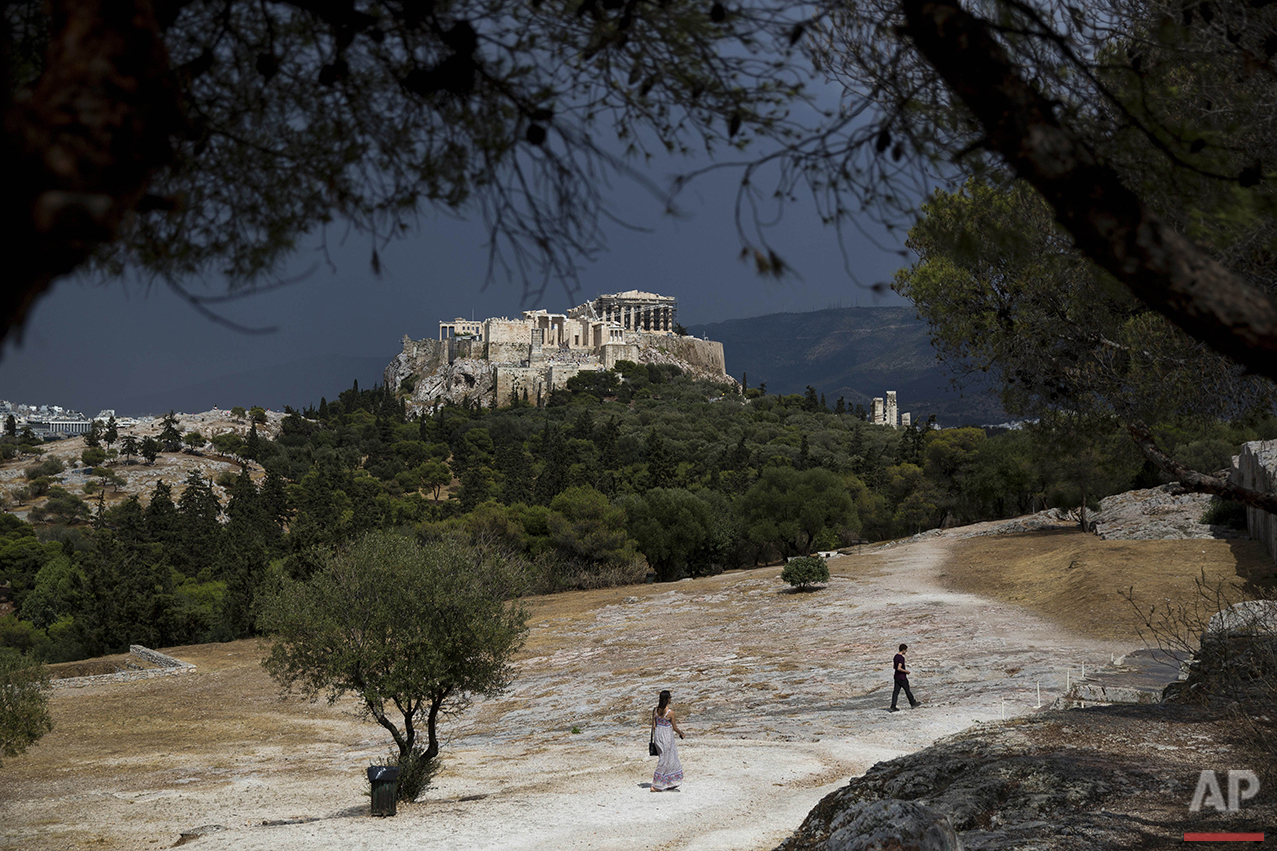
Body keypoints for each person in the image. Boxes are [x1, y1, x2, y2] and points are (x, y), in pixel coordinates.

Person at [650, 689, 686, 791]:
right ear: (668, 699)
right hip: (666, 736)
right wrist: (681, 734)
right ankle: (656, 785)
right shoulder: (670, 713)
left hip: (658, 736)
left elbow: (654, 726)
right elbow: (674, 727)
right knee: (665, 760)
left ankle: (668, 782)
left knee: (667, 758)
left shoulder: (655, 710)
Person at [890, 643, 919, 711]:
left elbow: (894, 667)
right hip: (902, 677)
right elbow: (899, 668)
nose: (906, 652)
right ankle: (913, 703)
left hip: (896, 677)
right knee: (907, 690)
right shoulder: (901, 658)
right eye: (906, 650)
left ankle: (893, 705)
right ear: (903, 650)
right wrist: (906, 671)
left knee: (896, 692)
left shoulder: (895, 656)